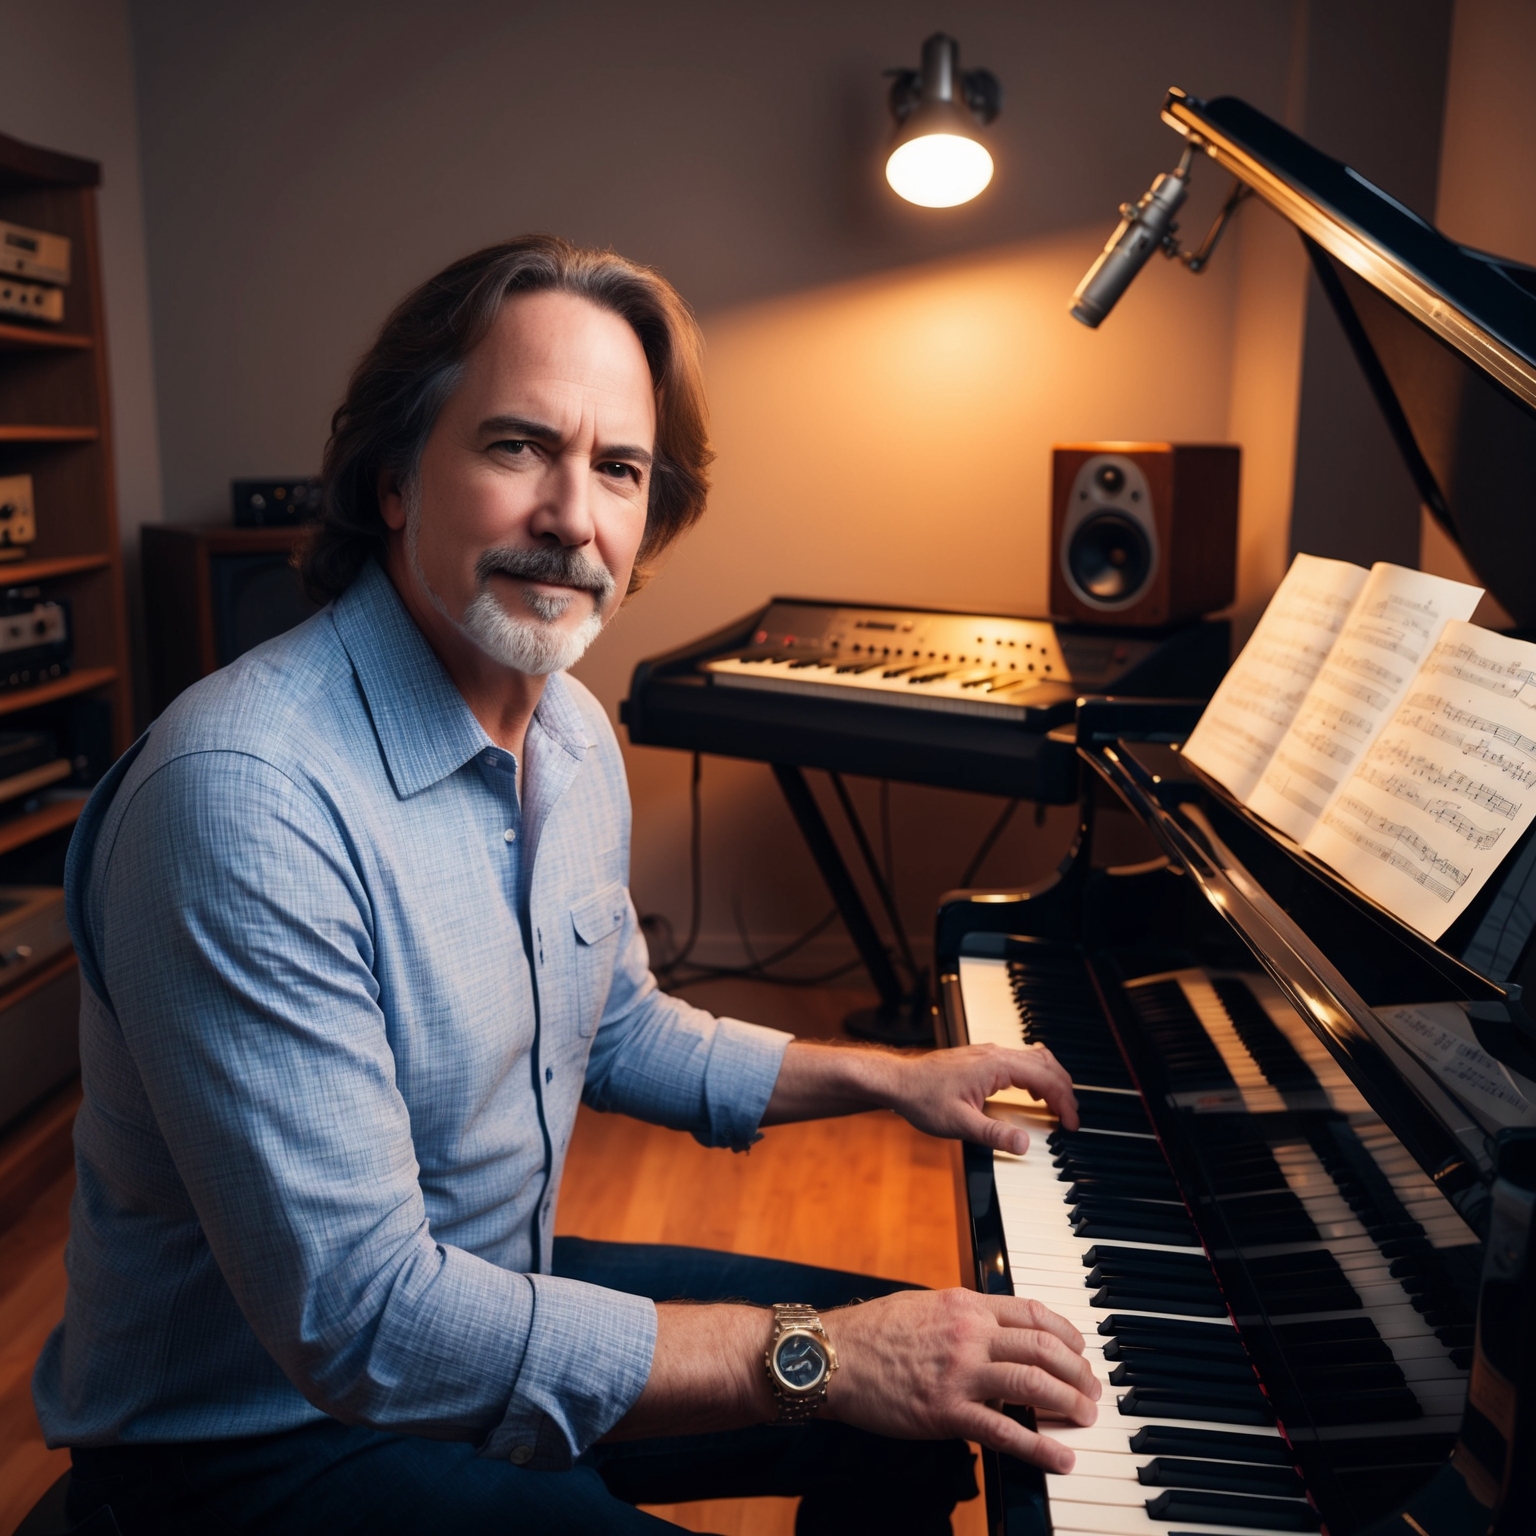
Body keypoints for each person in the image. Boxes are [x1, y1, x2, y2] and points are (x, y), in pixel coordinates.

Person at [34, 236, 1099, 1535]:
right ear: (389, 475)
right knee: (850, 1365)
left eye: (619, 468)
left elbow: (615, 1023)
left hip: (489, 1290)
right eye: (516, 445)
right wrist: (815, 1354)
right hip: (252, 1443)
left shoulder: (575, 735)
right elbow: (363, 1323)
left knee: (926, 1414)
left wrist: (885, 1078)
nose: (572, 514)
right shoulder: (244, 797)